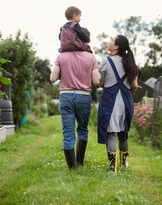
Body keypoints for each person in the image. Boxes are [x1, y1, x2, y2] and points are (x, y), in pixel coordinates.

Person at [50, 29, 100, 170]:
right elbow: (96, 80)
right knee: (82, 129)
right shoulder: (90, 57)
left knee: (68, 131)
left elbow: (53, 78)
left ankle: (71, 167)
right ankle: (80, 162)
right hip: (83, 96)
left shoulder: (61, 56)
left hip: (66, 96)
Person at [97, 35, 138, 173]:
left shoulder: (106, 62)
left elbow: (100, 82)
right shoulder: (131, 63)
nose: (109, 42)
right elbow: (134, 85)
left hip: (110, 102)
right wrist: (128, 98)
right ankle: (123, 163)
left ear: (116, 47)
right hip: (125, 103)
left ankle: (112, 167)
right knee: (123, 133)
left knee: (111, 134)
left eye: (111, 40)